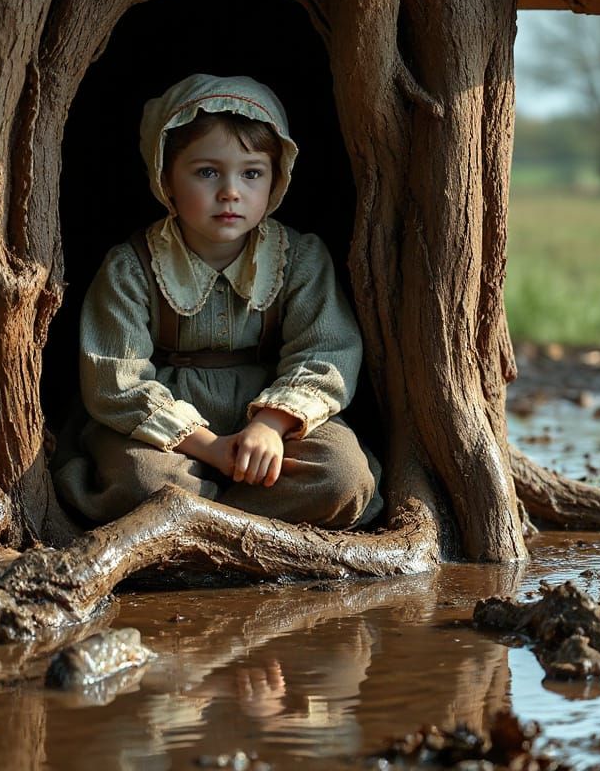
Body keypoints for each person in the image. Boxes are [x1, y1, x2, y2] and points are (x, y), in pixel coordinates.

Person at [55, 73, 381, 529]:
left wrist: (269, 425)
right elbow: (115, 378)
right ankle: (226, 524)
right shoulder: (131, 267)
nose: (231, 191)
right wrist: (209, 448)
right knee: (141, 484)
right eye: (207, 172)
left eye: (251, 173)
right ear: (165, 178)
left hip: (270, 414)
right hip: (158, 426)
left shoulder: (300, 258)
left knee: (340, 476)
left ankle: (197, 530)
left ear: (276, 179)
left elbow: (327, 351)